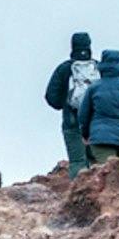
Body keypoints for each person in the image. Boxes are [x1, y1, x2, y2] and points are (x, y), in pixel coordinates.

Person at [76, 48, 119, 166]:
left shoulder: (94, 88)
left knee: (106, 173)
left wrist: (85, 134)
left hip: (101, 138)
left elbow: (83, 115)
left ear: (102, 65)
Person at [43, 32, 98, 174]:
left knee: (78, 162)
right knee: (98, 162)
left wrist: (65, 103)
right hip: (96, 122)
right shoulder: (98, 67)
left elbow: (51, 97)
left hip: (72, 122)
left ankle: (81, 194)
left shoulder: (64, 69)